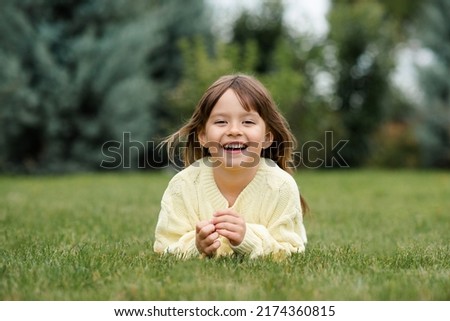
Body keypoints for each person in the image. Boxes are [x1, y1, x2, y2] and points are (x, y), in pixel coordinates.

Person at [153, 74, 307, 259]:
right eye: (221, 122)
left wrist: (247, 238)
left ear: (267, 137)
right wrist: (196, 246)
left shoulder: (281, 187)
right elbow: (164, 249)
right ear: (203, 135)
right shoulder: (182, 186)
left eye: (248, 122)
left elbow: (292, 251)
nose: (234, 130)